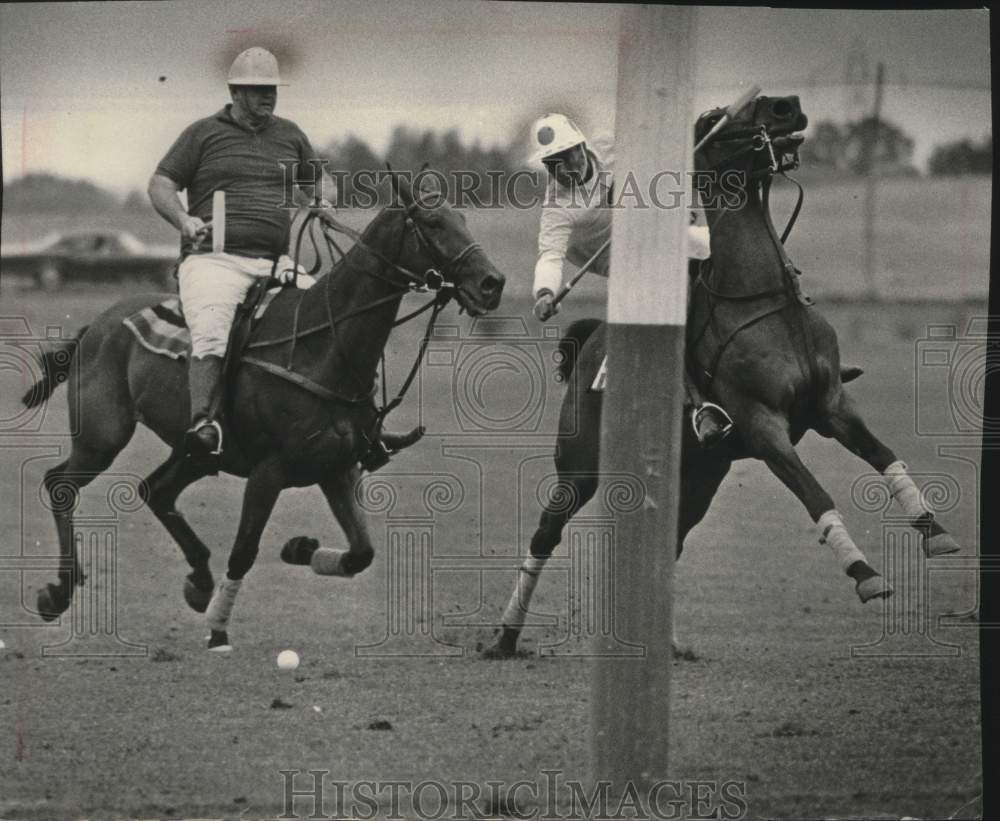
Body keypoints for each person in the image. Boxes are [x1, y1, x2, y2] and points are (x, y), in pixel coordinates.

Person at [148, 47, 338, 458]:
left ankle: (359, 426)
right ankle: (204, 424)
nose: (268, 97)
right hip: (215, 261)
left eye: (271, 89)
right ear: (235, 91)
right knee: (212, 327)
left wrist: (323, 199)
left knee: (332, 316)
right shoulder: (201, 133)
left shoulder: (290, 134)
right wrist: (184, 220)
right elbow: (161, 184)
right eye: (257, 90)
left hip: (276, 263)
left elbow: (320, 180)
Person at [528, 112, 733, 447]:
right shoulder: (556, 208)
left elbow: (656, 152)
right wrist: (544, 292)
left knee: (721, 248)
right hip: (620, 261)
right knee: (665, 297)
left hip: (656, 229)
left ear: (582, 146)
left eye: (567, 157)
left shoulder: (609, 145)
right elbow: (550, 256)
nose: (564, 169)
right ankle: (698, 407)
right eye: (553, 164)